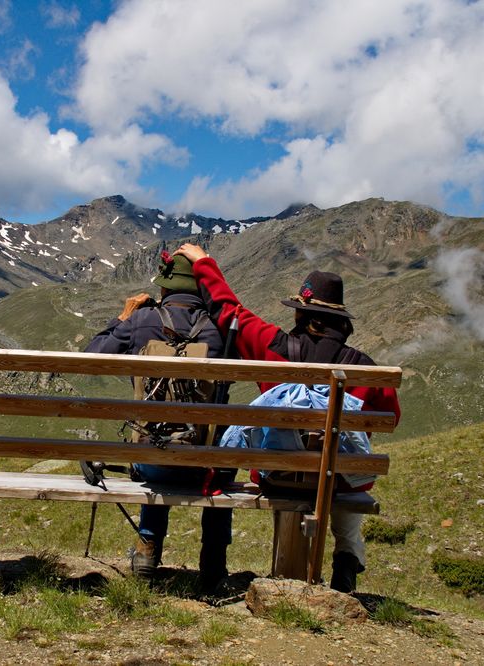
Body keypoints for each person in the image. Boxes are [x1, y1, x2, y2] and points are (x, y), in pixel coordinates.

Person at [173, 243, 401, 593]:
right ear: (341, 321)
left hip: (276, 474)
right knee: (340, 474)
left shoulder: (275, 347)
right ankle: (345, 564)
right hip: (335, 481)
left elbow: (229, 311)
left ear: (301, 315)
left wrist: (204, 264)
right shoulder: (363, 366)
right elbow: (390, 417)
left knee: (299, 463)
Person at [84, 251, 233, 592]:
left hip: (152, 463)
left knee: (153, 443)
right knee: (222, 457)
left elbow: (91, 357)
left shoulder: (141, 320)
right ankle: (213, 564)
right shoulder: (219, 329)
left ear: (165, 288)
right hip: (206, 466)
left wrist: (124, 317)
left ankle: (147, 551)